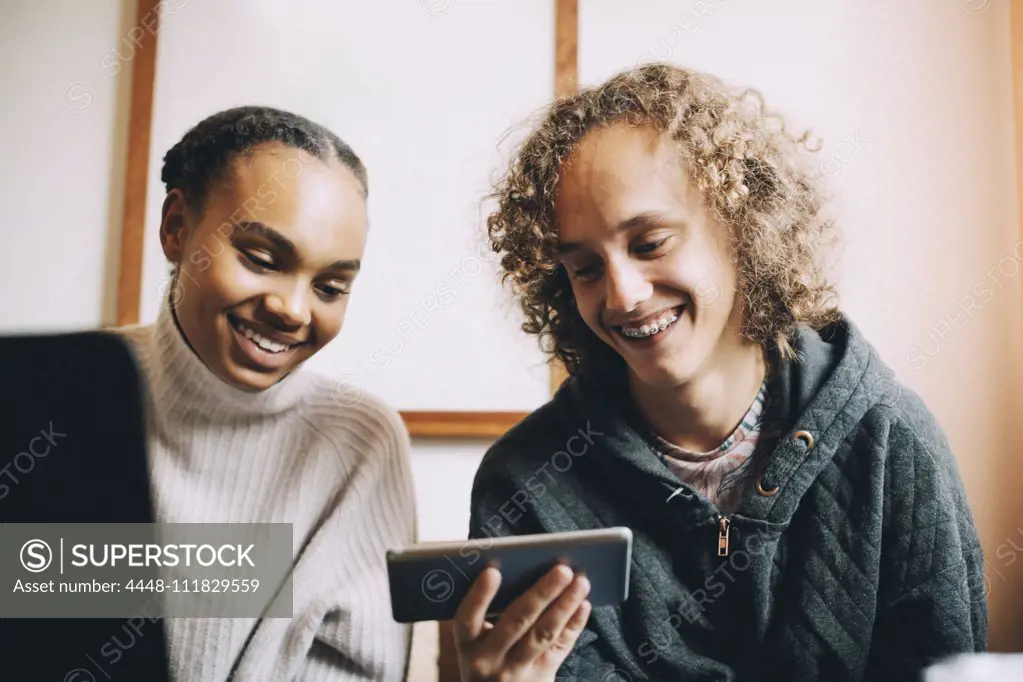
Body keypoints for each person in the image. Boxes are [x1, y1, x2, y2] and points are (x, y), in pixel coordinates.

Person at [454, 63, 987, 681]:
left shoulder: (891, 443)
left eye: (650, 243)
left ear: (742, 227)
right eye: (585, 268)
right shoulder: (527, 485)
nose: (622, 295)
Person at [112, 106, 416, 681]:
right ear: (177, 226)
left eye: (330, 286)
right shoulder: (60, 393)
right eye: (260, 259)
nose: (293, 310)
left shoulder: (357, 445)